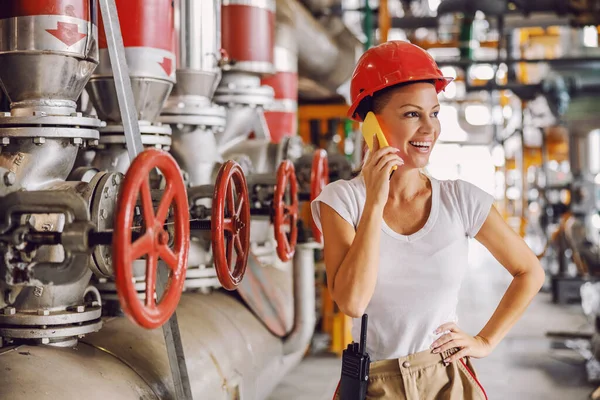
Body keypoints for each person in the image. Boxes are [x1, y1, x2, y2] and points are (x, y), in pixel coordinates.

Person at [310, 41, 545, 400]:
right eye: (411, 114)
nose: (429, 129)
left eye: (433, 113)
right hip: (375, 383)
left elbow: (530, 271)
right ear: (371, 123)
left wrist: (485, 340)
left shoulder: (460, 199)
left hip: (446, 379)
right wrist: (375, 202)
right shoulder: (342, 201)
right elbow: (353, 303)